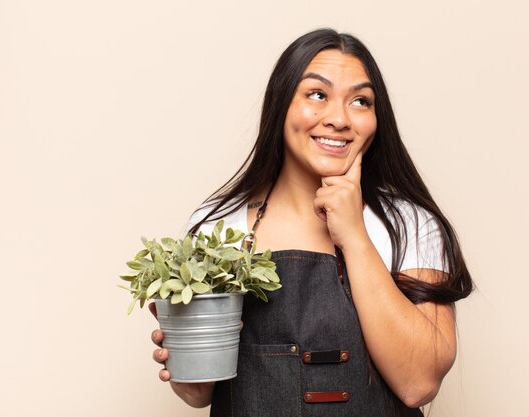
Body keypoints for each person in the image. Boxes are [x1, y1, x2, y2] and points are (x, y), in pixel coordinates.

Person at [149, 28, 473, 416]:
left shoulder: (410, 224)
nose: (338, 118)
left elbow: (418, 383)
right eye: (317, 94)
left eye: (360, 101)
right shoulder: (217, 225)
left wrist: (354, 236)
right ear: (281, 104)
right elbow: (199, 393)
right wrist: (188, 359)